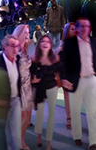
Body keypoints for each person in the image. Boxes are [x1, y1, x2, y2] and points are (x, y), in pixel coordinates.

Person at [61, 17, 96, 147]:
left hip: (91, 80)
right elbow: (64, 63)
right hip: (75, 81)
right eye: (83, 26)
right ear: (77, 28)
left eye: (88, 26)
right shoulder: (70, 43)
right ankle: (77, 135)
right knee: (75, 111)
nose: (86, 29)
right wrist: (64, 78)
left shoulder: (94, 42)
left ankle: (93, 142)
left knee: (93, 112)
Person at [31, 35, 61, 150]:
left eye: (48, 42)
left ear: (51, 45)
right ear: (39, 44)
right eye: (43, 41)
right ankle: (39, 136)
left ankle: (49, 142)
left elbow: (58, 72)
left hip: (52, 87)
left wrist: (59, 80)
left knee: (51, 115)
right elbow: (32, 77)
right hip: (40, 88)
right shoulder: (34, 59)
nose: (45, 43)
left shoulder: (55, 58)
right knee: (39, 114)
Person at [0, 35, 22, 150]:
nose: (15, 49)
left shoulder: (18, 60)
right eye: (12, 46)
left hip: (15, 100)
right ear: (5, 47)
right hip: (2, 102)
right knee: (0, 133)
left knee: (16, 133)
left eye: (17, 46)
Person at [13, 24, 33, 150]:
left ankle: (22, 140)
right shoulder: (14, 49)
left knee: (26, 117)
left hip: (28, 87)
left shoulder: (26, 49)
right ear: (19, 34)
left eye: (28, 32)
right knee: (19, 118)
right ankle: (17, 142)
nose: (27, 35)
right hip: (18, 88)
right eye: (25, 32)